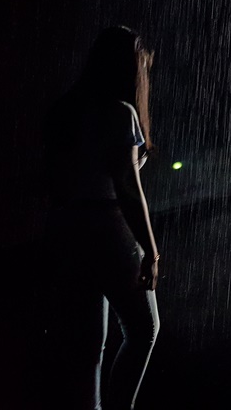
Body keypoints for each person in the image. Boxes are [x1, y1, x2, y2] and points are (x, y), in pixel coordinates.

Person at [43, 26, 160, 410]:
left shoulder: (67, 107)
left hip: (69, 227)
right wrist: (151, 251)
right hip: (109, 228)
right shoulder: (120, 112)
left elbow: (54, 181)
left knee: (88, 345)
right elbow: (128, 189)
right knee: (143, 330)